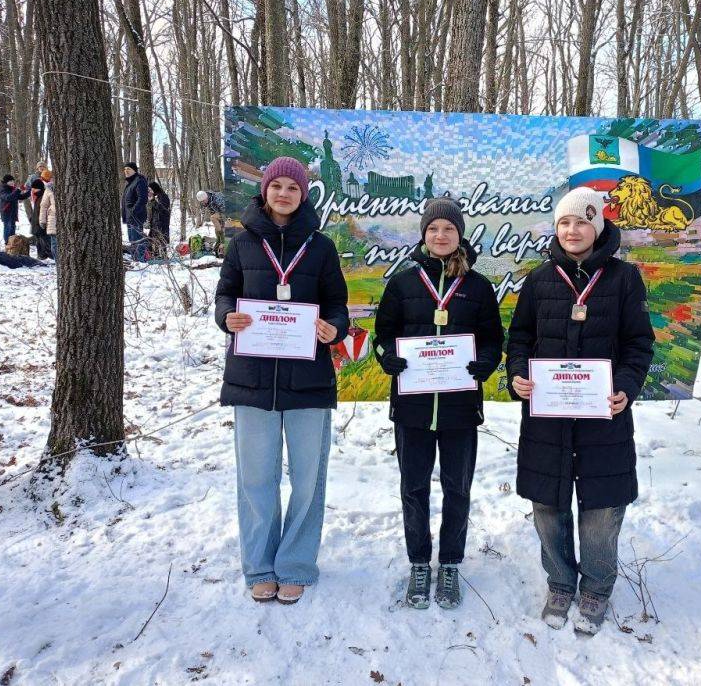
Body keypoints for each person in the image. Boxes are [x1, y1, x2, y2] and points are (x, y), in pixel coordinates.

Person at [505, 186, 655, 635]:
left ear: (599, 225)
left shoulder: (624, 280)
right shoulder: (538, 280)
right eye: (565, 222)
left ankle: (597, 586)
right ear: (556, 228)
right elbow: (519, 341)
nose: (573, 230)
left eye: (582, 221)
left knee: (600, 511)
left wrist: (626, 387)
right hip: (547, 420)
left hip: (603, 418)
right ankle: (560, 581)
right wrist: (517, 376)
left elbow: (638, 344)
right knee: (547, 505)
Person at [214, 156, 349, 605]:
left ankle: (295, 564)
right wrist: (225, 317)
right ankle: (259, 565)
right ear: (265, 191)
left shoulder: (322, 247)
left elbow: (337, 305)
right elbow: (224, 295)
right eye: (278, 186)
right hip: (252, 379)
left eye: (294, 187)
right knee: (255, 476)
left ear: (303, 194)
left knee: (308, 477)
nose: (285, 194)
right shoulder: (241, 243)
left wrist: (335, 328)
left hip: (308, 379)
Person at [372, 198, 504, 610]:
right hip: (412, 407)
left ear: (459, 234)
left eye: (448, 229)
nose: (441, 236)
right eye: (433, 229)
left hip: (459, 407)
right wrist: (386, 357)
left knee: (456, 488)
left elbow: (493, 340)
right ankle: (418, 563)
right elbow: (382, 334)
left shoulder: (479, 287)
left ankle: (449, 563)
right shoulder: (402, 284)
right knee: (413, 488)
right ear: (424, 235)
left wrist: (486, 363)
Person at [121, 162, 149, 262]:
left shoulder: (139, 181)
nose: (126, 171)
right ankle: (136, 259)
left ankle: (141, 261)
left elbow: (143, 199)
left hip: (136, 217)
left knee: (138, 240)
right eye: (125, 169)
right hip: (129, 217)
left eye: (128, 169)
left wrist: (133, 211)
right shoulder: (130, 183)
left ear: (134, 170)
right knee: (133, 240)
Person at [28, 170, 53, 259]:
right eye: (33, 188)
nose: (33, 190)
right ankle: (41, 255)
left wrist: (42, 220)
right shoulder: (37, 196)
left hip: (41, 222)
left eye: (35, 188)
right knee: (39, 239)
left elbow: (43, 210)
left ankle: (50, 255)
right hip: (36, 221)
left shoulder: (43, 196)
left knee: (45, 239)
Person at [0, 174, 29, 243]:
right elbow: (8, 197)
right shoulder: (3, 189)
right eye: (10, 181)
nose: (12, 182)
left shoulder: (13, 189)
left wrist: (30, 192)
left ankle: (12, 244)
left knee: (13, 227)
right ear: (6, 182)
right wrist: (18, 190)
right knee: (8, 228)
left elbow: (21, 197)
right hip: (6, 211)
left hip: (13, 211)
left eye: (13, 181)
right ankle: (7, 244)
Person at [196, 190, 227, 256]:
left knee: (213, 219)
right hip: (220, 213)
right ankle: (217, 247)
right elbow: (213, 212)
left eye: (204, 201)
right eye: (201, 202)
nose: (203, 203)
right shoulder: (207, 201)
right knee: (217, 230)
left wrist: (222, 225)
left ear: (206, 197)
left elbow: (224, 211)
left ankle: (223, 244)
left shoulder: (217, 199)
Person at [147, 182, 171, 258]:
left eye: (151, 189)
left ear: (155, 188)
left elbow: (163, 210)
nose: (149, 191)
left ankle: (163, 258)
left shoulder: (163, 196)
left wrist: (153, 201)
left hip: (162, 223)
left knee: (161, 241)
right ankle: (156, 256)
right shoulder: (154, 197)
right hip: (155, 224)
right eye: (149, 190)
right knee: (153, 241)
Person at [39, 176, 57, 261]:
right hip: (53, 219)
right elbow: (44, 206)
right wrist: (42, 221)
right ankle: (58, 264)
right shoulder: (49, 189)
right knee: (55, 244)